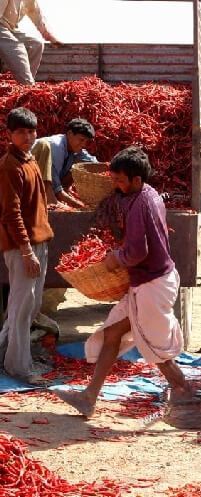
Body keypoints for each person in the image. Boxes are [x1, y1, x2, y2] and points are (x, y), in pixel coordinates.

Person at [55, 146, 190, 418]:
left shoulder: (141, 205)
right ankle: (88, 397)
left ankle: (188, 395)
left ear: (136, 180)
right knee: (112, 333)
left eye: (118, 180)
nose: (114, 184)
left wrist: (116, 257)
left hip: (151, 284)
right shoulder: (147, 193)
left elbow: (138, 253)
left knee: (154, 349)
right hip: (151, 280)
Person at [0, 107, 54, 385]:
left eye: (31, 131)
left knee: (26, 306)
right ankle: (18, 369)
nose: (27, 136)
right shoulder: (10, 165)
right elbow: (11, 214)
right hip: (23, 247)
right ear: (10, 134)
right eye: (20, 132)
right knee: (22, 308)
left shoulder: (30, 160)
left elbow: (35, 202)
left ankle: (5, 355)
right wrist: (26, 251)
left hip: (38, 241)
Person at [35, 118, 97, 208]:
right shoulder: (56, 147)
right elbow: (53, 184)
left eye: (86, 142)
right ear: (70, 134)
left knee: (77, 168)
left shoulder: (74, 148)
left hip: (50, 186)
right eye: (81, 140)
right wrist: (78, 205)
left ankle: (56, 199)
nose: (83, 145)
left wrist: (110, 168)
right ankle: (50, 200)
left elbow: (93, 163)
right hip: (29, 184)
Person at [0, 0, 61, 85]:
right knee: (18, 49)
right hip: (1, 27)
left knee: (36, 44)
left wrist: (50, 36)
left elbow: (38, 17)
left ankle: (21, 84)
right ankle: (27, 87)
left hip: (10, 28)